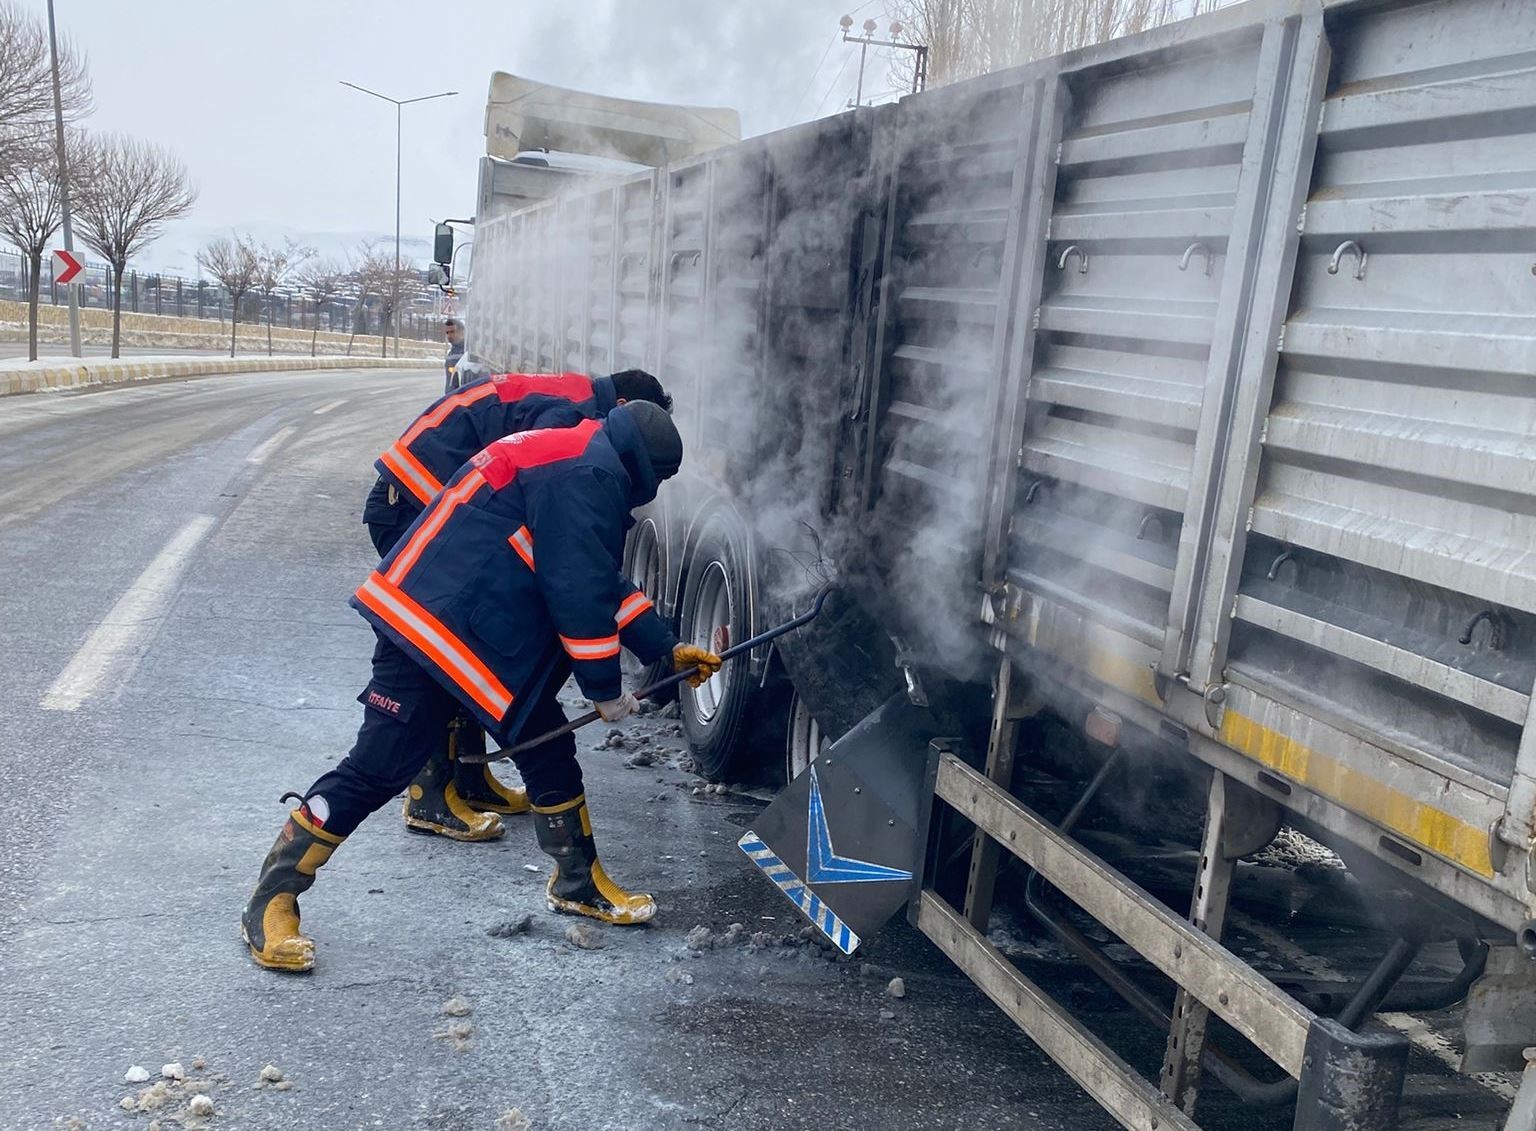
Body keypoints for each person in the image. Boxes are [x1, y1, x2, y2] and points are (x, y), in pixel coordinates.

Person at [241, 402, 722, 972]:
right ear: (644, 467)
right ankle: (272, 898)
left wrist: (662, 648)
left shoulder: (575, 452)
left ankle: (576, 880)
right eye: (658, 481)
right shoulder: (587, 473)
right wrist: (605, 689)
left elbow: (591, 570)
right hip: (434, 629)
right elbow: (578, 589)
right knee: (377, 766)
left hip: (466, 626)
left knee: (546, 742)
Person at [359, 369, 674, 843]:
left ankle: (469, 780)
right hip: (413, 497)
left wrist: (655, 641)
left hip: (420, 491)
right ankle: (429, 796)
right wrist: (600, 678)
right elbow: (554, 545)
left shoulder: (580, 403)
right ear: (623, 404)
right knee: (445, 648)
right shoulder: (570, 420)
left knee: (471, 657)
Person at [442, 318, 466, 391]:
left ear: (462, 332)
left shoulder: (469, 351)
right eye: (447, 332)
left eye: (452, 332)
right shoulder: (451, 354)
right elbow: (450, 384)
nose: (449, 335)